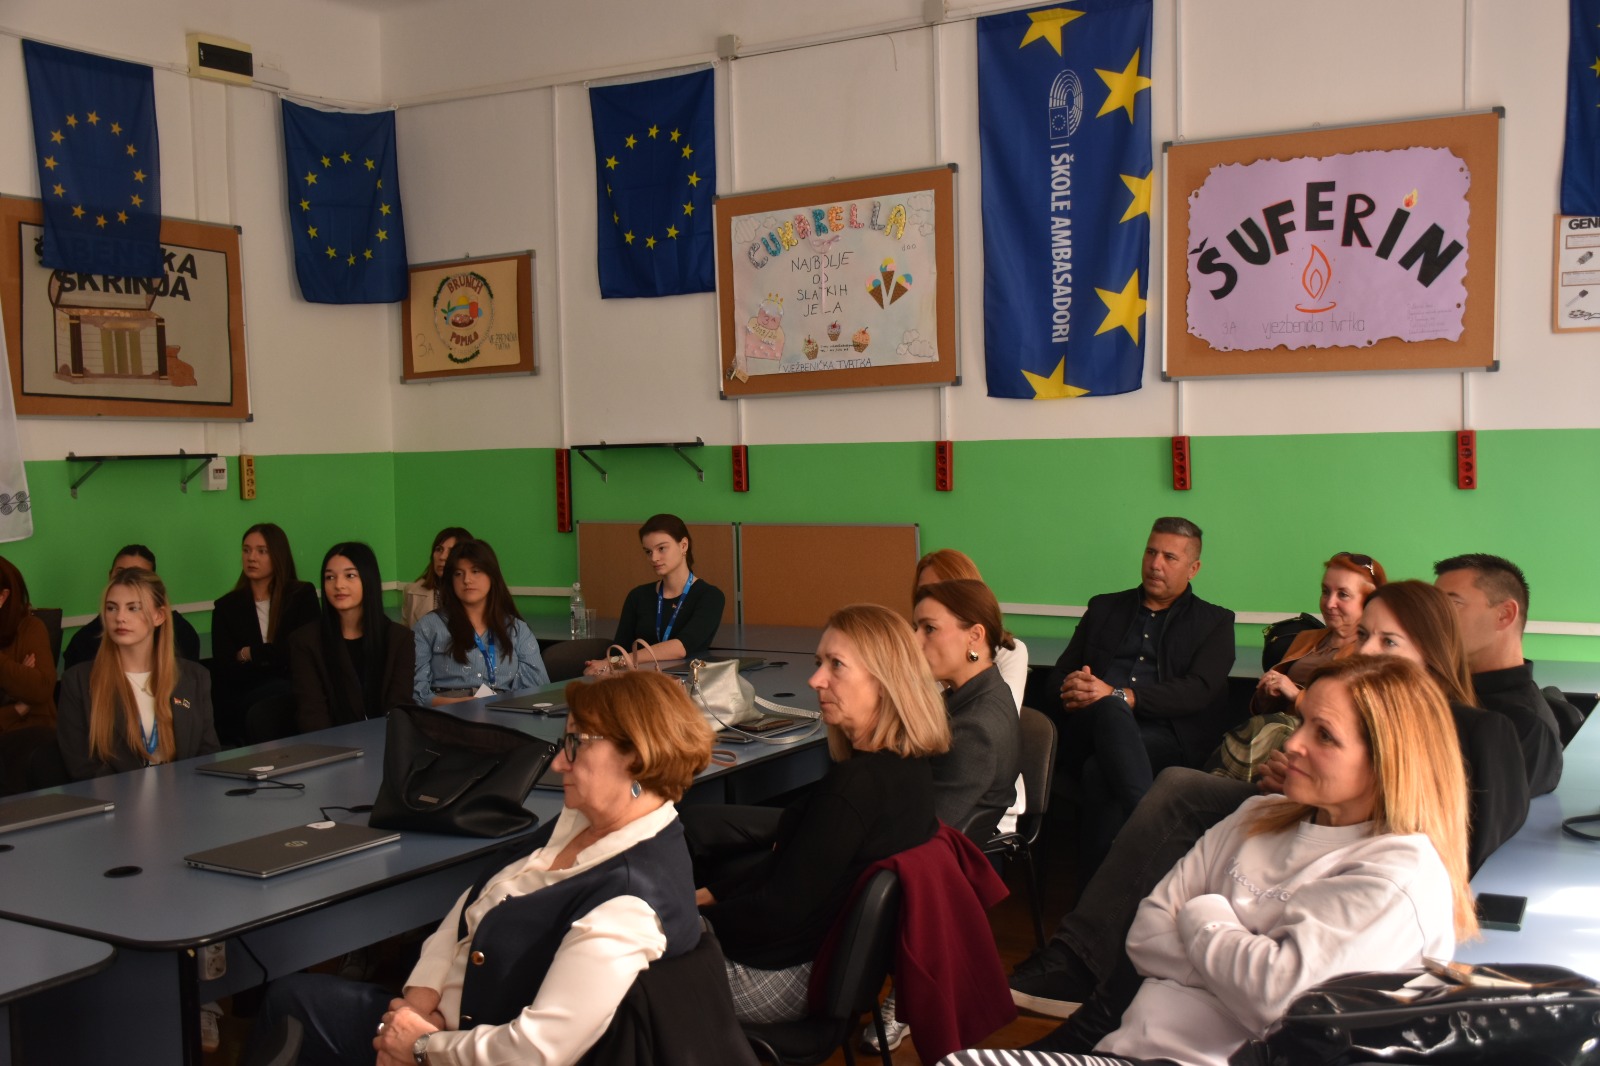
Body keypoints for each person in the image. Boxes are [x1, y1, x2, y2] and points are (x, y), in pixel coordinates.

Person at [1009, 580, 1528, 1049]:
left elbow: (1457, 849)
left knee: (1174, 785)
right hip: (1287, 826)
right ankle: (1093, 990)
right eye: (1364, 635)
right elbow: (1150, 935)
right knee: (1116, 773)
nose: (1366, 651)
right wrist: (1296, 792)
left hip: (1348, 892)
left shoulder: (1465, 753)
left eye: (1388, 642)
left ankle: (1090, 985)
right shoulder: (1270, 802)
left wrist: (1201, 912)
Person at [951, 655, 1477, 1066]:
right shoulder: (1257, 814)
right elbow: (1145, 936)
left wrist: (1203, 912)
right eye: (1301, 722)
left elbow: (1279, 1003)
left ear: (1388, 762)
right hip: (1125, 1049)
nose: (1293, 744)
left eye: (1325, 735)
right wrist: (1242, 966)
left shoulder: (1397, 874)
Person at [243, 669, 715, 1066]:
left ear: (635, 754)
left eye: (575, 743)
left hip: (468, 1050)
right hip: (443, 1024)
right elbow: (474, 902)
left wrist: (421, 1047)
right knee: (292, 998)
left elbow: (536, 1050)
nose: (558, 763)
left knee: (290, 1003)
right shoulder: (583, 821)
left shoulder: (629, 905)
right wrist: (419, 1000)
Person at [684, 603, 948, 1024]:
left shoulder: (855, 788)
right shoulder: (905, 768)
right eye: (819, 663)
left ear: (885, 682)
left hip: (778, 978)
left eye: (836, 665)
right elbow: (790, 869)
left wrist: (683, 921)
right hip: (814, 965)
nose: (816, 680)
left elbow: (777, 910)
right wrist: (710, 895)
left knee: (615, 966)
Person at [1044, 517, 1235, 865]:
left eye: (1169, 557)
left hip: (1164, 739)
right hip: (1089, 729)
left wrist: (1122, 696)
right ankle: (1154, 835)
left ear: (1193, 568)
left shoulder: (1214, 622)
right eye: (1151, 552)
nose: (1155, 564)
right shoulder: (1104, 608)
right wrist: (1075, 688)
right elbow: (1057, 676)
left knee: (1100, 773)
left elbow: (1199, 690)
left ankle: (1095, 893)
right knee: (1109, 711)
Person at [1208, 552, 1385, 780]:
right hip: (1271, 732)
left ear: (1369, 602)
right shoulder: (1306, 638)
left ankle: (1214, 786)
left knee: (1267, 728)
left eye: (1343, 594)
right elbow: (1265, 708)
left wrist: (1295, 694)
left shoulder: (1370, 654)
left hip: (1314, 741)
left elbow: (1353, 718)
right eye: (1325, 591)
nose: (1329, 603)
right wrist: (1267, 693)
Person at [57, 568, 220, 780]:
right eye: (111, 608)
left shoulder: (195, 677)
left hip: (185, 794)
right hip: (115, 798)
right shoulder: (78, 682)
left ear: (159, 616)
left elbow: (207, 755)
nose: (120, 617)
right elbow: (84, 769)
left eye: (133, 608)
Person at [1434, 553, 1563, 794]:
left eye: (1452, 605)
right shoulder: (1439, 689)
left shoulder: (1525, 727)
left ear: (1504, 614)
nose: (1435, 618)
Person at [913, 579, 1021, 843]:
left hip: (930, 855)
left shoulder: (974, 730)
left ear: (974, 636)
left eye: (929, 629)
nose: (914, 641)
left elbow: (922, 832)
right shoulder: (986, 691)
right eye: (916, 628)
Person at [210, 523, 319, 743]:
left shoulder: (301, 595)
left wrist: (250, 653)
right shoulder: (226, 607)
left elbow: (302, 652)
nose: (251, 557)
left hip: (296, 687)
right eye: (246, 550)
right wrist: (273, 655)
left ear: (278, 555)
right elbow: (225, 668)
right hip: (248, 695)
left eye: (262, 551)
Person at [289, 542, 416, 732]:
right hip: (330, 744)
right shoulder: (305, 642)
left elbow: (399, 707)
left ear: (369, 579)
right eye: (330, 577)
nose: (338, 585)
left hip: (386, 742)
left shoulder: (399, 639)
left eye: (350, 576)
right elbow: (312, 714)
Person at [413, 538, 548, 705]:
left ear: (492, 576)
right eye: (458, 573)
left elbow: (536, 690)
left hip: (502, 712)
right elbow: (415, 693)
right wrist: (460, 705)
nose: (467, 580)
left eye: (475, 571)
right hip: (447, 713)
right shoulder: (428, 627)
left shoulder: (516, 629)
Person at [585, 514, 726, 674]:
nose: (654, 558)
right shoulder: (638, 596)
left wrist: (617, 661)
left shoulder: (710, 596)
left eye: (661, 549)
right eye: (648, 551)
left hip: (685, 682)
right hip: (638, 680)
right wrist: (605, 665)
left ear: (683, 545)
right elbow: (620, 649)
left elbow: (681, 647)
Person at [914, 549, 1029, 708]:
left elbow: (999, 712)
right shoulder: (913, 651)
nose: (929, 597)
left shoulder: (1010, 653)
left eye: (944, 590)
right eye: (924, 591)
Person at [62, 545, 203, 671]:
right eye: (120, 573)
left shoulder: (181, 634)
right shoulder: (83, 641)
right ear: (110, 576)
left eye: (138, 575)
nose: (127, 580)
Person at [0, 555, 56, 737]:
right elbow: (27, 692)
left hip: (31, 736)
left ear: (2, 597)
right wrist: (17, 709)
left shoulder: (30, 628)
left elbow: (40, 689)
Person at [401, 526, 473, 629]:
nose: (442, 557)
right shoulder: (412, 592)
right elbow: (405, 635)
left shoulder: (477, 593)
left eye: (451, 551)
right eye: (439, 549)